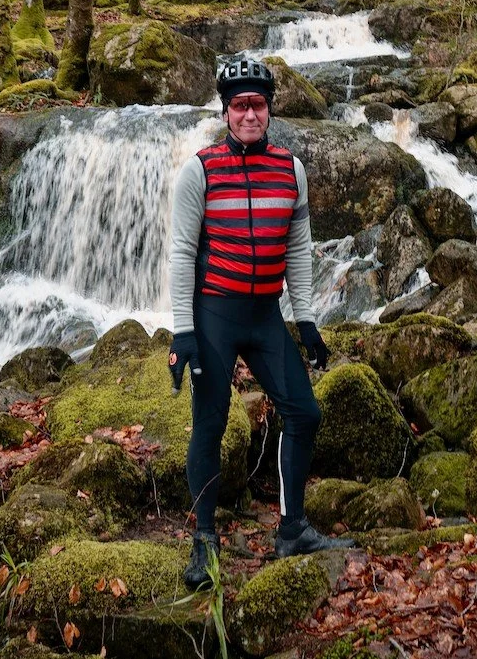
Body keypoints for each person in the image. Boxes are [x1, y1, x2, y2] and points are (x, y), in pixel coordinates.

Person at [168, 57, 354, 590]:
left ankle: (292, 529)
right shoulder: (199, 170)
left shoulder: (290, 169)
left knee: (305, 412)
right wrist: (184, 333)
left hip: (265, 314)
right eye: (239, 105)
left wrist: (308, 319)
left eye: (258, 104)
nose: (249, 114)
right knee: (211, 421)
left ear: (269, 109)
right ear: (226, 111)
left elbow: (298, 249)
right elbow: (182, 253)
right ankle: (203, 542)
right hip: (214, 314)